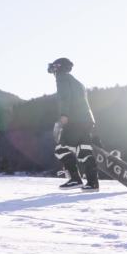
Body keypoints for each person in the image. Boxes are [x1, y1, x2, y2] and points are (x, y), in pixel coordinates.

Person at [48, 57, 100, 192]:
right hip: (87, 120)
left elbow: (65, 97)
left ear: (60, 67)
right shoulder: (77, 82)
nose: (53, 70)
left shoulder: (62, 78)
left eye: (55, 66)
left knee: (61, 149)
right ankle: (93, 183)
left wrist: (64, 115)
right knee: (84, 150)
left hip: (75, 120)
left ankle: (75, 179)